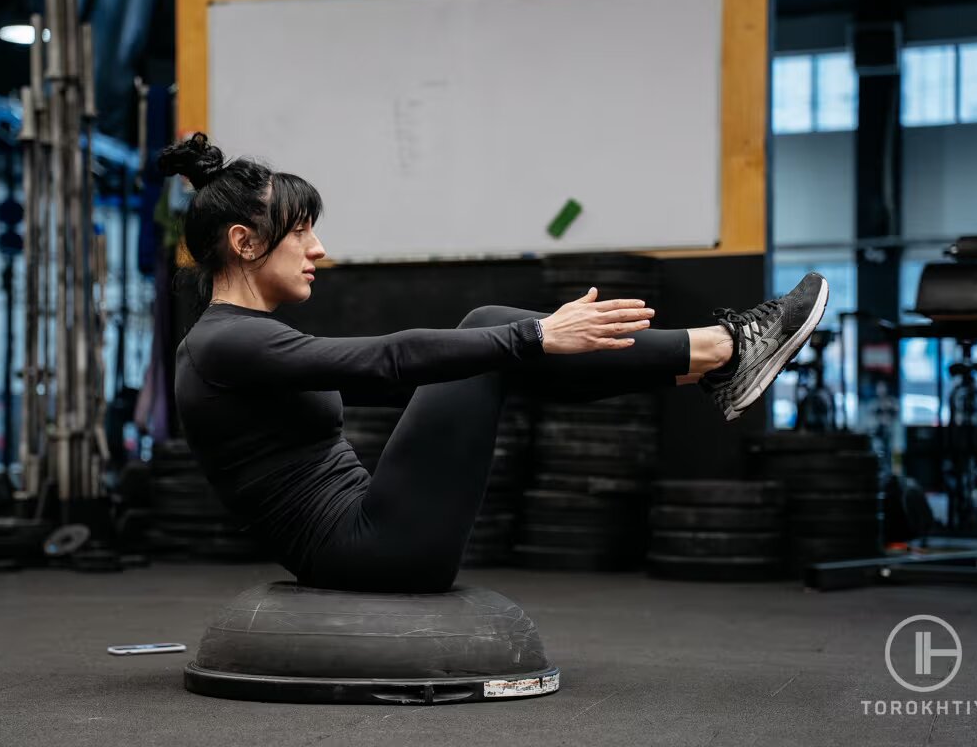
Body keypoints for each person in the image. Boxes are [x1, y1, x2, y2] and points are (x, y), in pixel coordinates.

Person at [163, 132, 829, 593]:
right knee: (491, 332)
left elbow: (403, 376)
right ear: (245, 241)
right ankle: (726, 348)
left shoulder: (241, 341)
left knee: (496, 350)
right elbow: (388, 361)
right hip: (369, 549)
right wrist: (535, 337)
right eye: (301, 229)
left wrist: (534, 351)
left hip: (371, 533)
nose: (318, 247)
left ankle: (711, 362)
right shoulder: (224, 343)